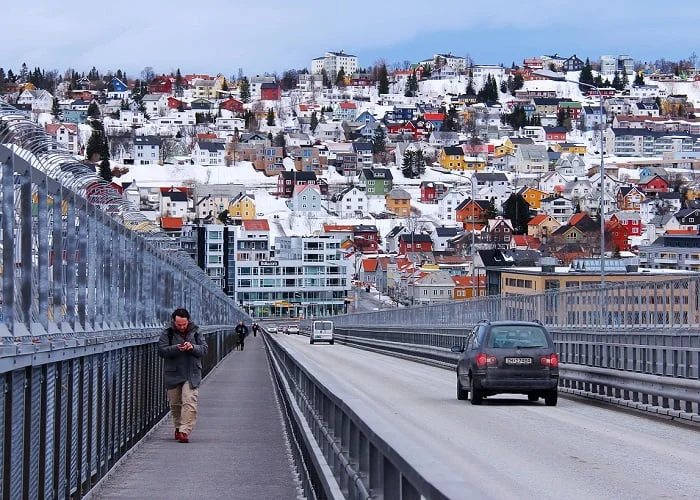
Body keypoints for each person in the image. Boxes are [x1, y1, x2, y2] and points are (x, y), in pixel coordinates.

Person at [158, 308, 208, 444]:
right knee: (175, 404)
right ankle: (178, 427)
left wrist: (192, 347)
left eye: (184, 324)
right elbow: (161, 351)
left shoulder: (196, 331)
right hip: (173, 373)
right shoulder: (167, 332)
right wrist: (176, 348)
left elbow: (204, 349)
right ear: (174, 321)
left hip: (191, 373)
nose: (181, 327)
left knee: (189, 401)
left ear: (188, 321)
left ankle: (184, 431)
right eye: (178, 324)